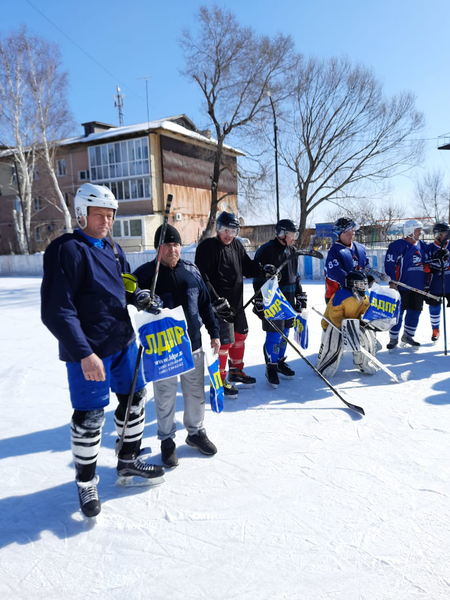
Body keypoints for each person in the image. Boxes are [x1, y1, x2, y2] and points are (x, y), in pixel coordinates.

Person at [41, 183, 164, 519]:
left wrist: (139, 297)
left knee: (136, 399)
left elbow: (125, 283)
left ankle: (128, 461)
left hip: (122, 342)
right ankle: (85, 483)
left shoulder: (111, 247)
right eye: (100, 215)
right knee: (91, 417)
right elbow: (56, 310)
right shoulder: (66, 250)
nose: (107, 221)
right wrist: (84, 353)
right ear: (83, 213)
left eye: (111, 215)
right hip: (88, 353)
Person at [133, 224, 220, 469]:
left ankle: (195, 432)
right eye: (167, 245)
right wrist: (139, 299)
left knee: (195, 395)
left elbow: (205, 305)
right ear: (157, 249)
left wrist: (214, 333)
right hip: (163, 351)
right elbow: (128, 295)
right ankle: (167, 440)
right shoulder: (146, 275)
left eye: (176, 244)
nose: (173, 249)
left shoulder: (191, 272)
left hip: (192, 346)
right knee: (165, 397)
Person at [195, 211, 259, 397]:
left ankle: (236, 371)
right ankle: (219, 381)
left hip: (236, 304)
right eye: (225, 230)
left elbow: (247, 267)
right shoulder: (207, 247)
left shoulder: (237, 245)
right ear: (218, 228)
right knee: (224, 344)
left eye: (233, 231)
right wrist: (216, 301)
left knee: (240, 336)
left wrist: (263, 270)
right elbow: (202, 278)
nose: (229, 235)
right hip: (219, 306)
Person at [252, 219, 307, 387]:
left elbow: (295, 276)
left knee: (285, 332)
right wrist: (259, 299)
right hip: (273, 297)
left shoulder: (292, 250)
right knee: (274, 334)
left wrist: (300, 294)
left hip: (289, 296)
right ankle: (271, 366)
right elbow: (256, 276)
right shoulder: (266, 250)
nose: (294, 238)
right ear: (282, 234)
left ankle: (280, 361)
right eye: (292, 234)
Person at [316, 270, 376, 377]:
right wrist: (346, 330)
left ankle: (362, 363)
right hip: (333, 325)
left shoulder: (365, 296)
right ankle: (325, 366)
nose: (363, 287)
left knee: (367, 337)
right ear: (351, 283)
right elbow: (335, 316)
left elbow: (365, 312)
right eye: (360, 284)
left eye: (364, 284)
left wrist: (365, 322)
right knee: (334, 345)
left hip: (351, 323)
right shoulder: (341, 295)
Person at [384, 219, 427, 350]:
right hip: (402, 286)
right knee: (398, 313)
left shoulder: (422, 245)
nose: (420, 233)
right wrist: (392, 282)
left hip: (418, 286)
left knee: (415, 312)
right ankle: (393, 338)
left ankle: (408, 335)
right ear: (410, 231)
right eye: (418, 230)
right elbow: (389, 264)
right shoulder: (397, 246)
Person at [325, 218, 369, 303]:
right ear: (340, 233)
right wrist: (353, 282)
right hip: (338, 296)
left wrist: (369, 276)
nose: (352, 232)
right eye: (349, 230)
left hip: (360, 294)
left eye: (353, 229)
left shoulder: (360, 248)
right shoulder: (335, 251)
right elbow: (334, 271)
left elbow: (366, 265)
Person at [424, 223, 450, 342]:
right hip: (435, 283)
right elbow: (424, 267)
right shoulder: (429, 248)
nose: (437, 236)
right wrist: (432, 265)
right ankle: (435, 330)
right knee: (434, 307)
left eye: (440, 233)